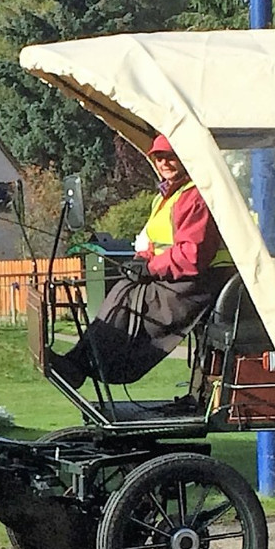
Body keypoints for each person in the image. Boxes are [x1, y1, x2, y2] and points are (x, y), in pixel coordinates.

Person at [49, 134, 234, 388]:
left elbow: (193, 256)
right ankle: (79, 362)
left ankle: (93, 365)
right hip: (176, 275)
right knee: (123, 290)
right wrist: (140, 261)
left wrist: (149, 267)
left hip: (198, 282)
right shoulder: (166, 197)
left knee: (135, 304)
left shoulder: (195, 197)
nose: (164, 163)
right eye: (159, 158)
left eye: (170, 156)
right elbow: (153, 241)